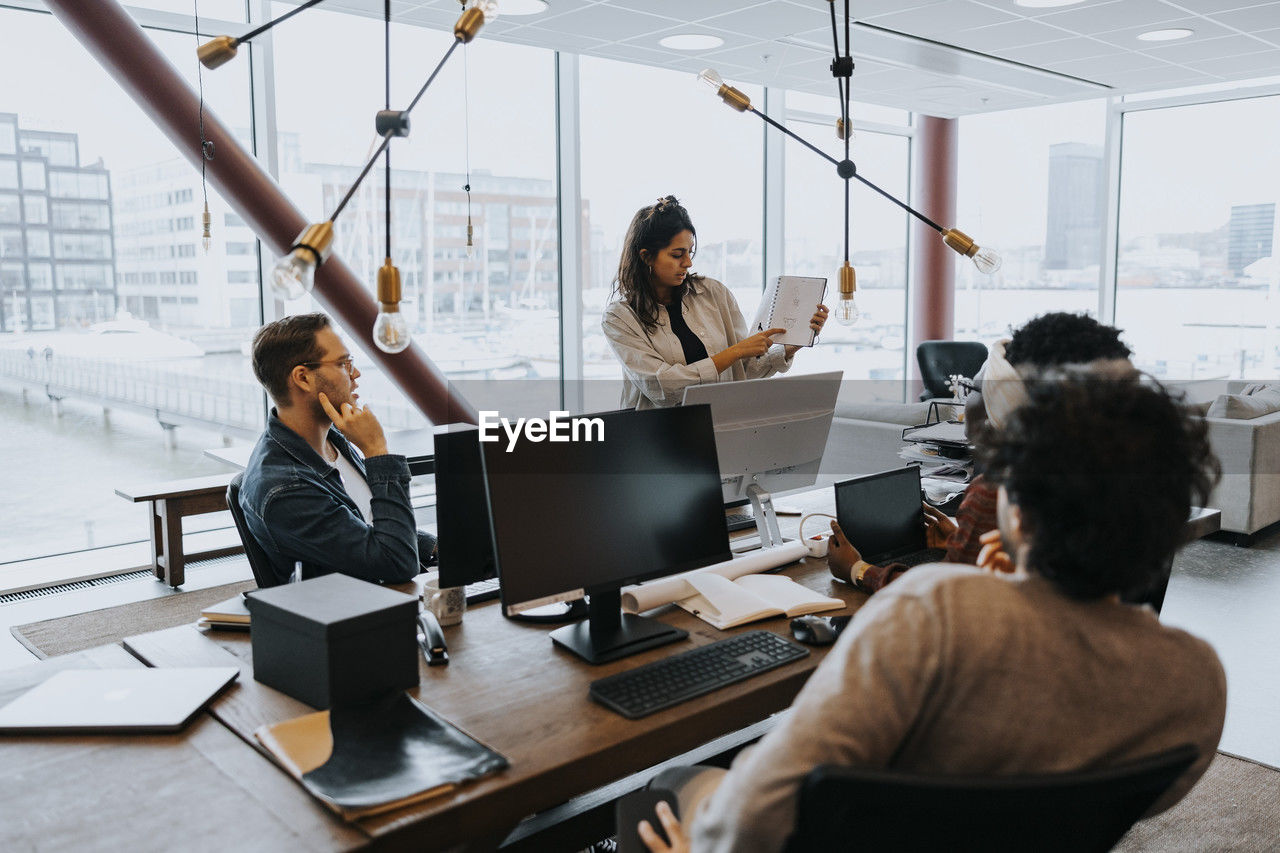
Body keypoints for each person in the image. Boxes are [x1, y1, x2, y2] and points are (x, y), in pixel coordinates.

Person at [638, 369, 1226, 853]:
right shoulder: (1197, 682)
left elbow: (756, 816)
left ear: (1016, 513)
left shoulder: (937, 609)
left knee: (666, 791)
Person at [828, 311, 1136, 592]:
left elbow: (944, 600)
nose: (965, 403)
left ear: (999, 412)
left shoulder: (1002, 492)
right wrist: (964, 541)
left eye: (972, 390)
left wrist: (858, 569)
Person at [238, 313, 435, 586]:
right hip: (368, 613)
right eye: (343, 363)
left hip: (397, 595)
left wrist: (434, 547)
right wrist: (377, 451)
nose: (356, 374)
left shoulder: (332, 441)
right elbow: (396, 563)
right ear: (303, 378)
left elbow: (370, 521)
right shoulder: (285, 489)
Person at [602, 196, 828, 410]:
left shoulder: (713, 293)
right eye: (677, 254)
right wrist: (734, 352)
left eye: (690, 252)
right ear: (646, 256)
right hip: (658, 438)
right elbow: (662, 388)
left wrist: (789, 346)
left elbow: (744, 371)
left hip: (720, 427)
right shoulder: (620, 317)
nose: (688, 262)